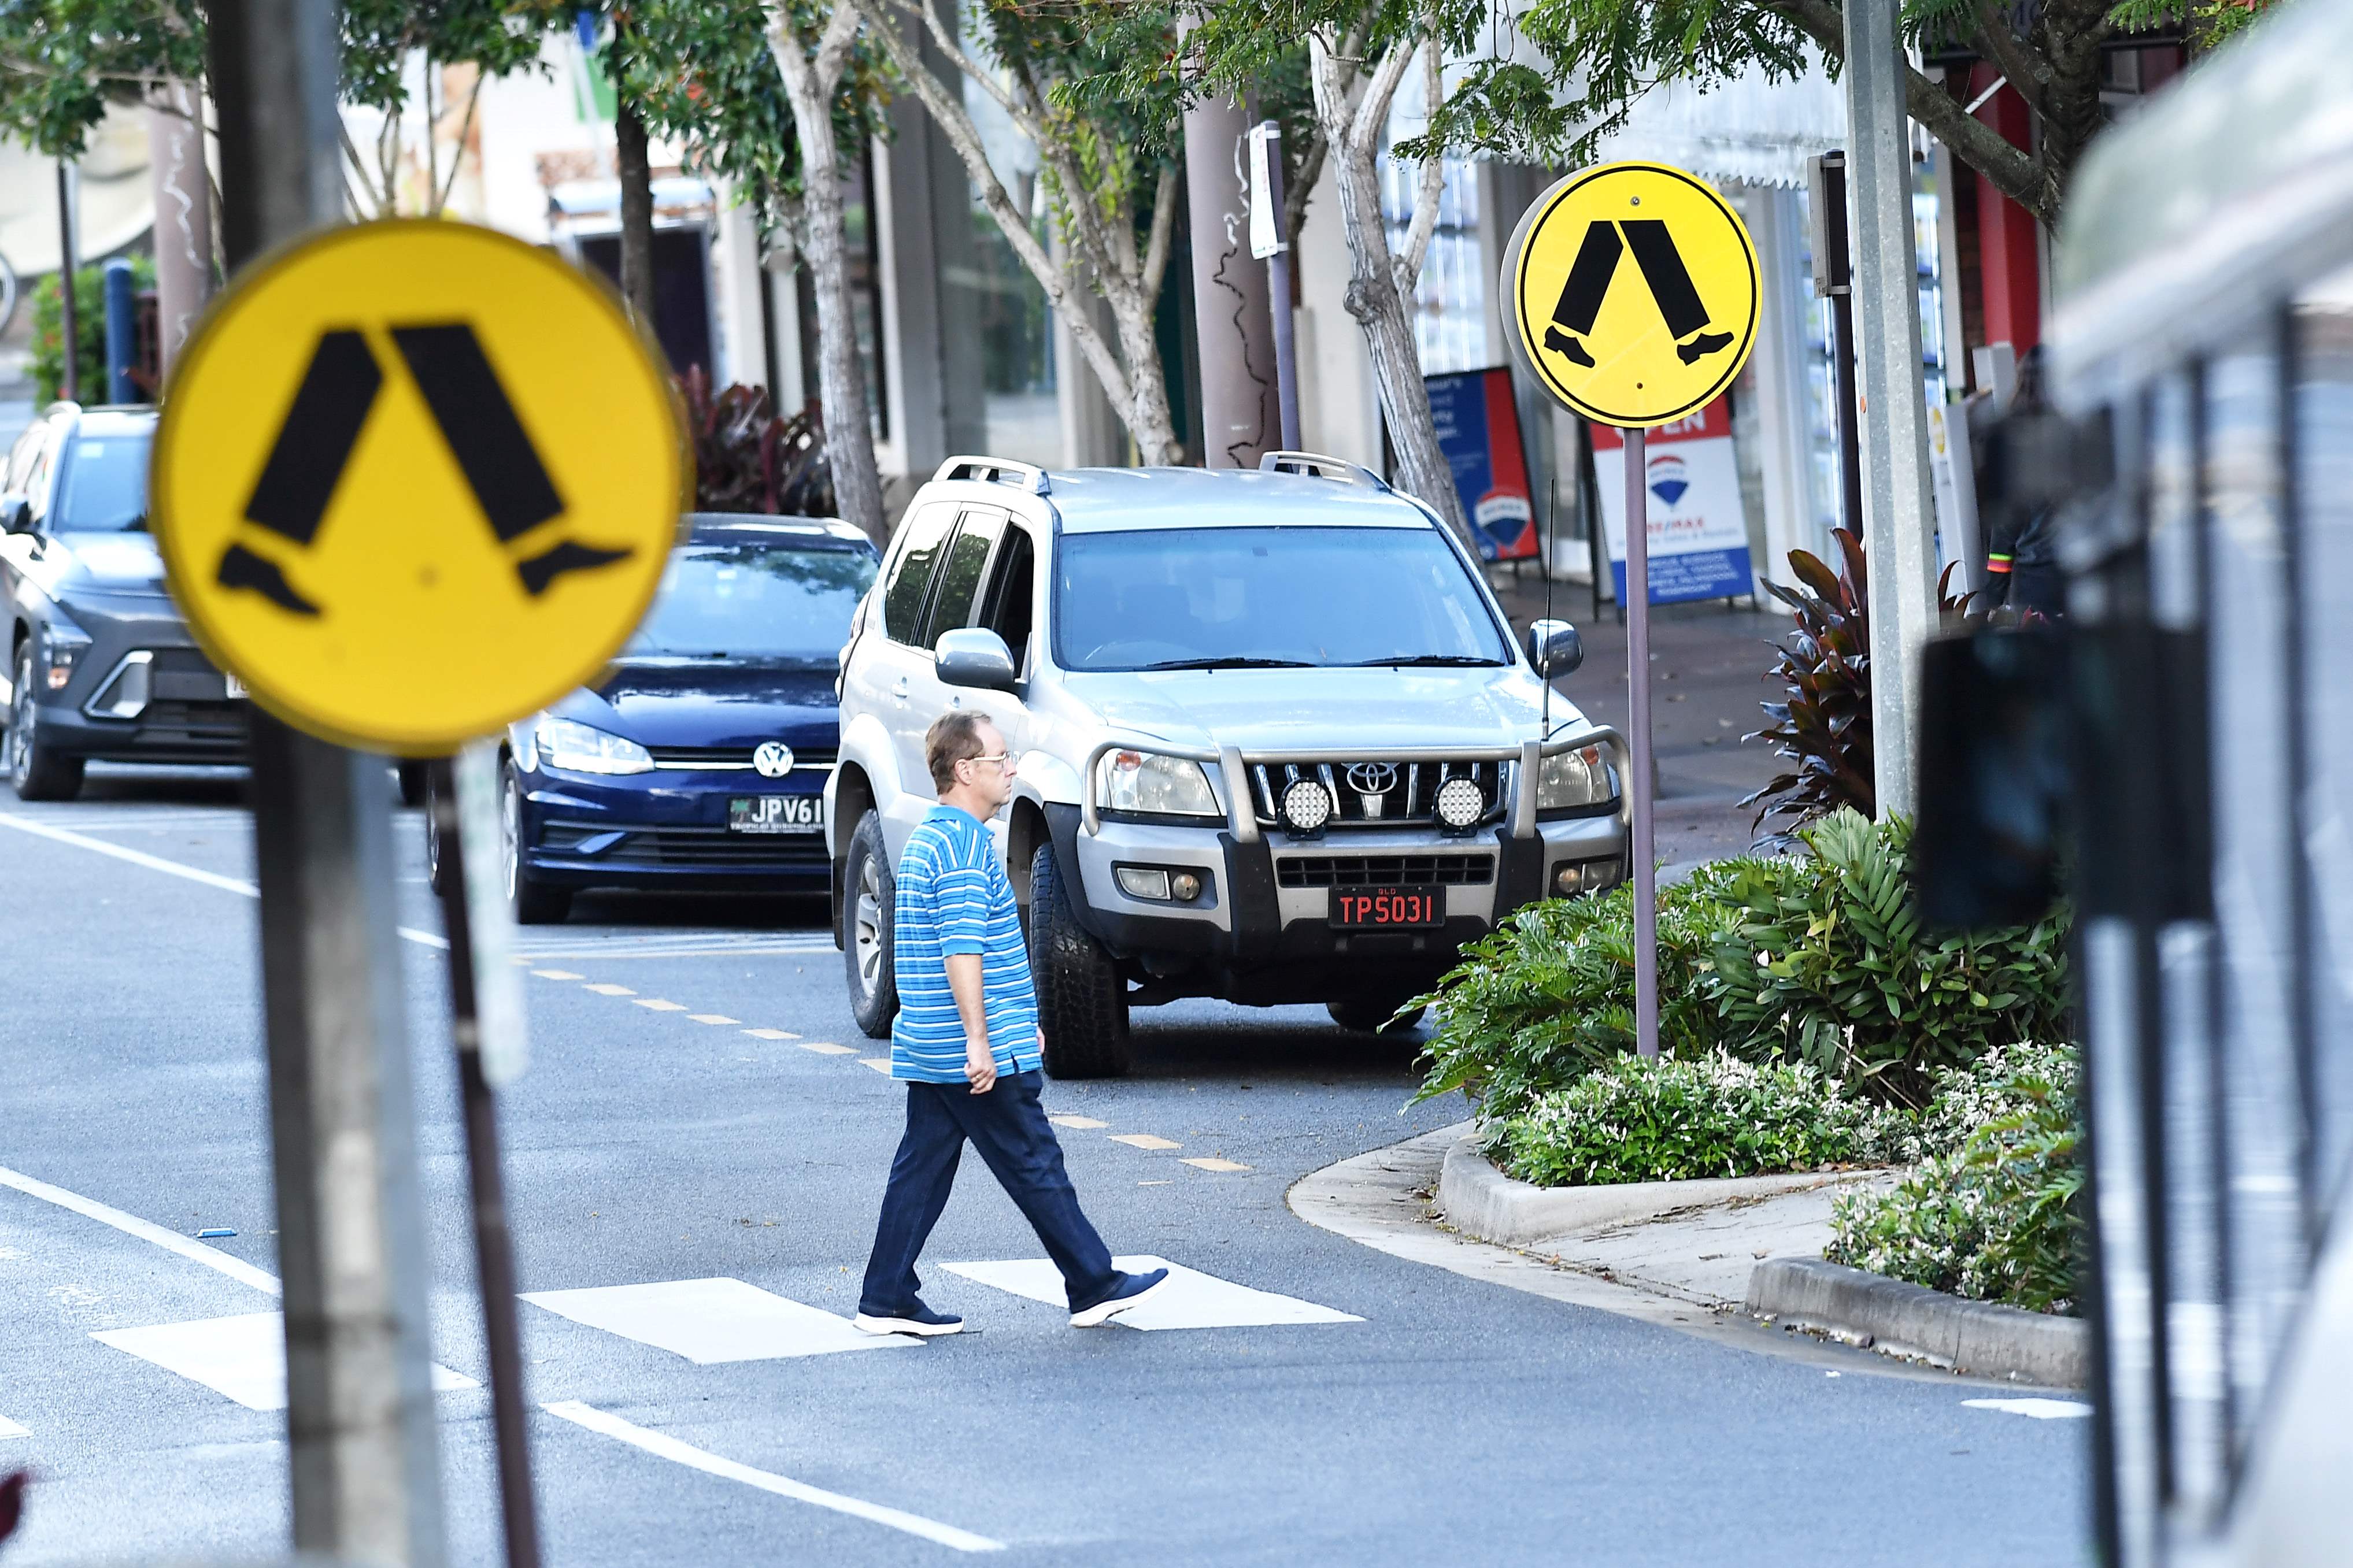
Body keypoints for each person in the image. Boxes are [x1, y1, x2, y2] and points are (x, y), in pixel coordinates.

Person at [854, 710, 1169, 1336]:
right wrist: (983, 1038)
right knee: (1034, 1163)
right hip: (975, 1053)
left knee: (922, 1171)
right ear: (965, 770)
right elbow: (962, 949)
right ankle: (1091, 1282)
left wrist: (1016, 1017)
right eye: (1000, 760)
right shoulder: (967, 845)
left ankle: (885, 1295)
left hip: (934, 1045)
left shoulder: (925, 838)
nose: (1011, 770)